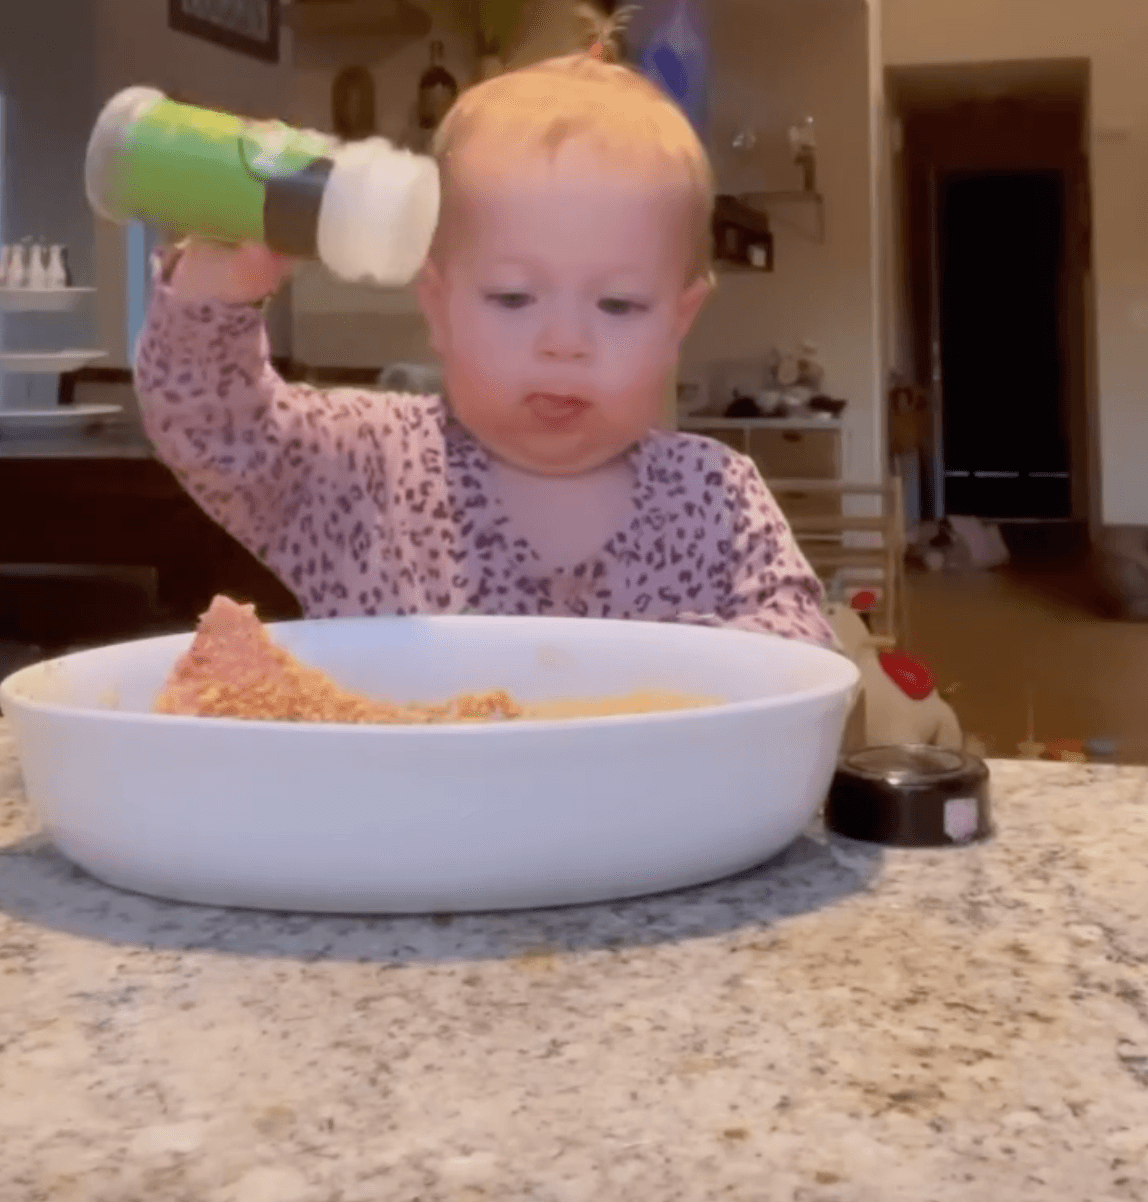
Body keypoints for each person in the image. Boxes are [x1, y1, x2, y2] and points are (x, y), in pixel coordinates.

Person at [133, 14, 834, 648]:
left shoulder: (714, 497)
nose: (564, 343)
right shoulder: (362, 468)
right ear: (437, 306)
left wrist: (690, 668)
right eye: (512, 297)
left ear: (680, 322)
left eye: (617, 305)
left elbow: (803, 650)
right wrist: (213, 292)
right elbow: (216, 432)